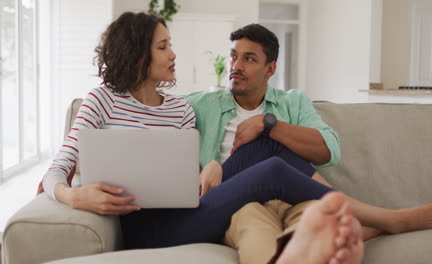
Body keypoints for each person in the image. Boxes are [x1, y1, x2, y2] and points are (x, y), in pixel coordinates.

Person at [38, 12, 364, 264]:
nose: (173, 54)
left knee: (266, 148)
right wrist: (73, 197)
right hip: (143, 227)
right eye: (163, 47)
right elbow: (57, 170)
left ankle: (338, 229)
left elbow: (182, 177)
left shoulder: (180, 109)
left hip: (189, 213)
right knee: (272, 167)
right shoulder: (101, 101)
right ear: (138, 55)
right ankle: (376, 219)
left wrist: (209, 167)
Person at [185, 23, 432, 263]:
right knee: (256, 232)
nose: (236, 66)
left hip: (296, 197)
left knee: (323, 231)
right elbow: (152, 115)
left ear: (270, 69)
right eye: (233, 57)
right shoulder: (202, 105)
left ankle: (361, 228)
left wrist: (268, 125)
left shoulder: (292, 102)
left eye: (249, 59)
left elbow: (329, 150)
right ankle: (384, 221)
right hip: (242, 202)